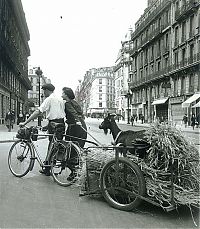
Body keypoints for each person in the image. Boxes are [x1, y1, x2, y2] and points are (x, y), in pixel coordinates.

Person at [19, 83, 66, 175]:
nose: (43, 92)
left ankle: (48, 168)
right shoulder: (60, 99)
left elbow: (38, 112)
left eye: (44, 90)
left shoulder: (49, 99)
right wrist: (46, 126)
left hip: (53, 124)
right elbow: (58, 113)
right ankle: (50, 165)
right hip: (61, 123)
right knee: (55, 145)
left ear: (47, 90)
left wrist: (25, 122)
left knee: (52, 145)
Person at [62, 87, 87, 181]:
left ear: (66, 95)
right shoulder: (75, 102)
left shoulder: (67, 103)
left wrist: (76, 120)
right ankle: (77, 171)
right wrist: (80, 121)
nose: (62, 94)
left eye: (63, 93)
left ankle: (74, 172)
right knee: (78, 150)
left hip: (75, 127)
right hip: (82, 127)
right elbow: (80, 113)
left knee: (71, 150)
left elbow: (73, 113)